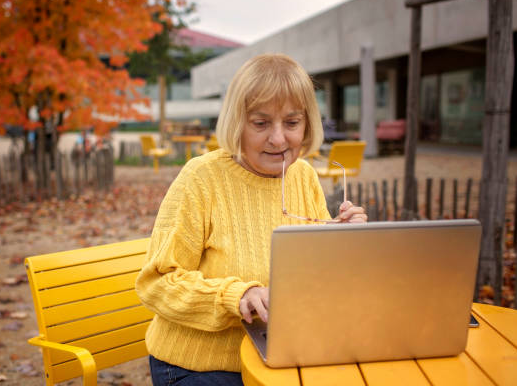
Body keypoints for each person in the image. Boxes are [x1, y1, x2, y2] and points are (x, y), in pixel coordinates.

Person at [135, 53, 367, 386]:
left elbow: (313, 282)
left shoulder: (303, 175)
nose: (278, 139)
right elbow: (155, 284)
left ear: (308, 124)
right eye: (260, 123)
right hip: (201, 365)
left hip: (285, 352)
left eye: (291, 123)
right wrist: (238, 296)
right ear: (236, 124)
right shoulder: (201, 178)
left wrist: (344, 244)